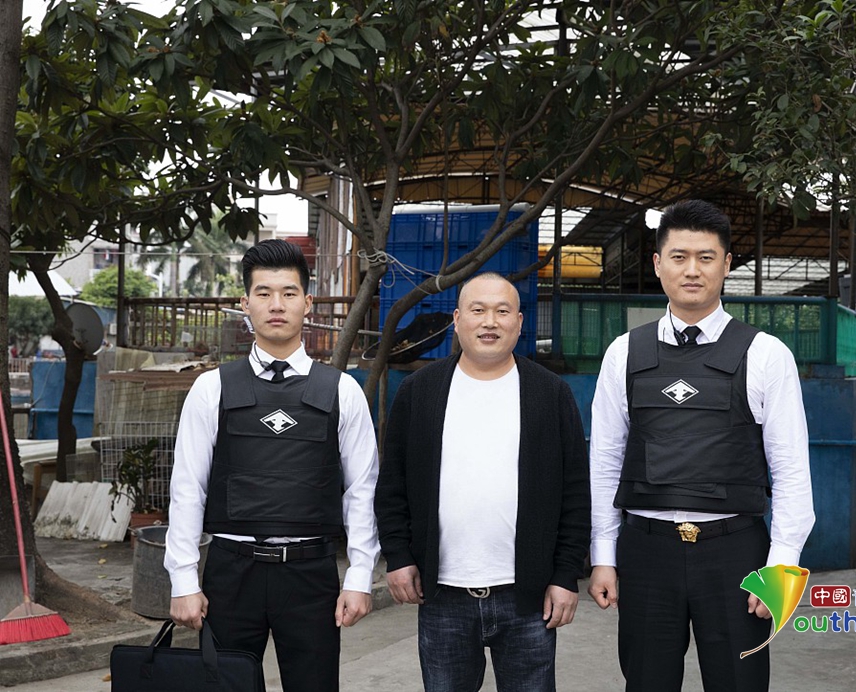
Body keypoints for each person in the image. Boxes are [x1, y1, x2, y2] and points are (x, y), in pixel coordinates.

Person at [588, 200, 815, 691]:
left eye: (706, 257)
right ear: (658, 264)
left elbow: (792, 467)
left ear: (727, 264)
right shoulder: (624, 353)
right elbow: (605, 461)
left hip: (735, 554)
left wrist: (782, 565)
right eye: (679, 256)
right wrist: (603, 553)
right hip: (647, 553)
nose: (692, 270)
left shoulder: (766, 354)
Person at [164, 239, 380, 692]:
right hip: (231, 573)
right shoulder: (211, 388)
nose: (276, 305)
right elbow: (187, 488)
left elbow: (361, 490)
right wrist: (182, 579)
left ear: (308, 302)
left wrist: (360, 575)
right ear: (245, 303)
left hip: (310, 575)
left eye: (288, 293)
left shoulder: (342, 391)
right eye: (263, 293)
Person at [375, 272, 590, 692]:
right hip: (443, 595)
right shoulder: (420, 392)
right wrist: (397, 556)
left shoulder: (550, 394)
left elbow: (575, 494)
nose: (490, 322)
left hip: (527, 596)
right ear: (458, 320)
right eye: (478, 310)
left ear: (519, 323)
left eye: (502, 311)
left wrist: (566, 575)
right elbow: (393, 484)